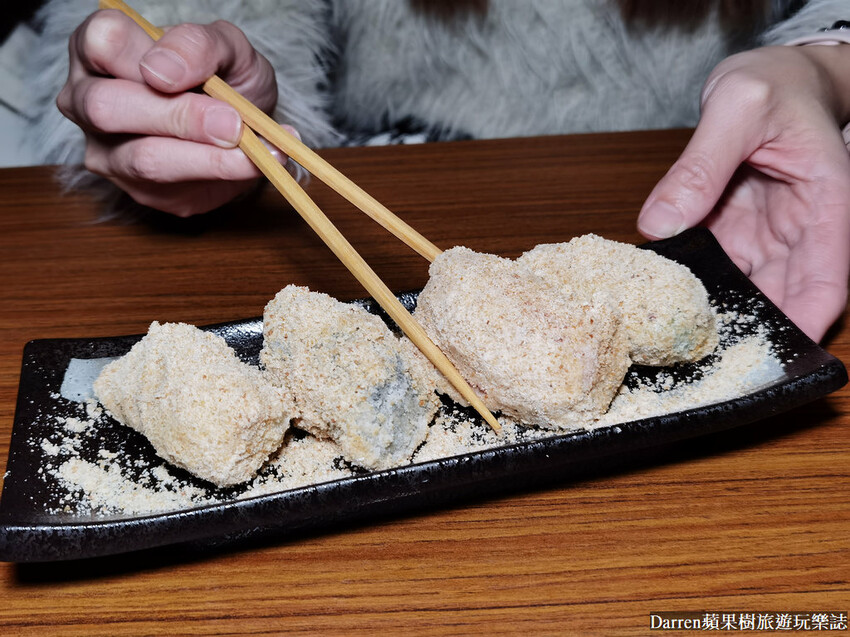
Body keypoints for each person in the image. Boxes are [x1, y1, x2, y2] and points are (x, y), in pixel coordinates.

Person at [22, 0, 850, 342]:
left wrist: (827, 66)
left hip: (714, 194)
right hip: (389, 165)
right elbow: (204, 24)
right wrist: (184, 78)